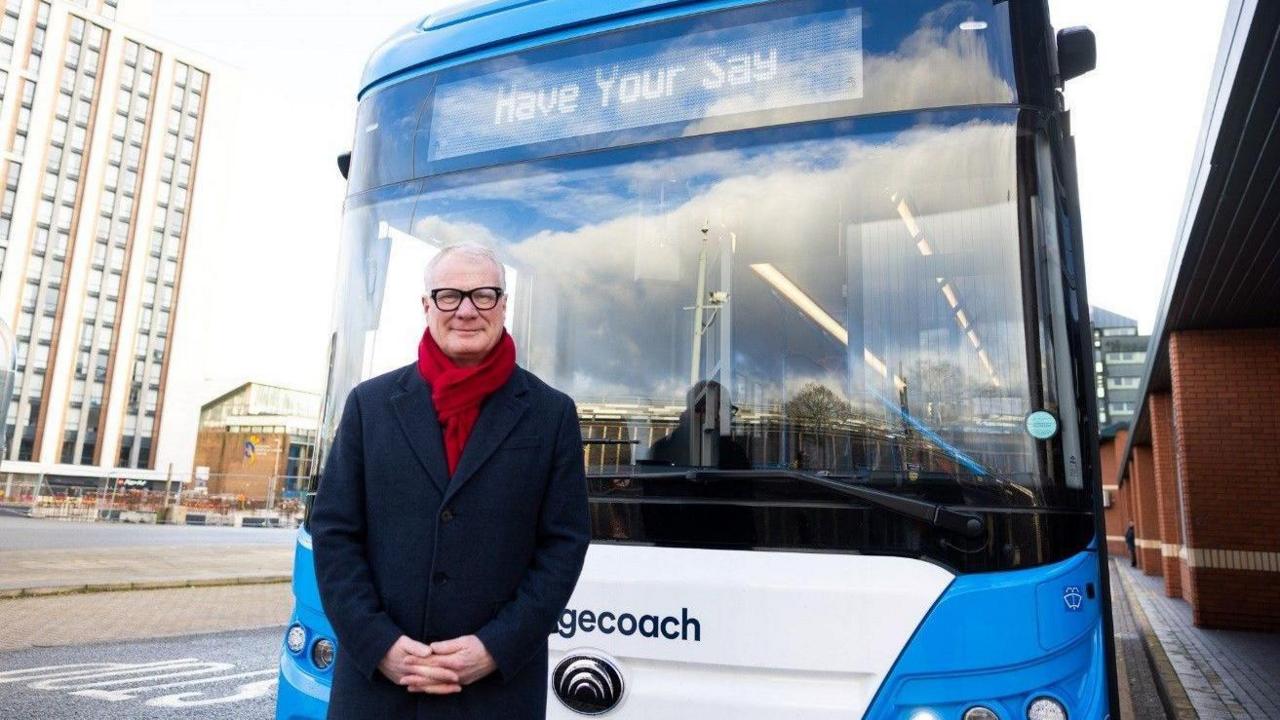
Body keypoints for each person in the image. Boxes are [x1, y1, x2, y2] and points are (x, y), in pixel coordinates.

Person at [310, 242, 590, 720]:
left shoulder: (552, 414)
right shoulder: (368, 406)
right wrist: (380, 645)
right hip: (377, 692)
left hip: (495, 695)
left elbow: (564, 544)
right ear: (426, 306)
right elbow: (334, 534)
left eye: (483, 295)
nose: (465, 310)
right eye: (448, 296)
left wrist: (494, 648)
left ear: (503, 305)